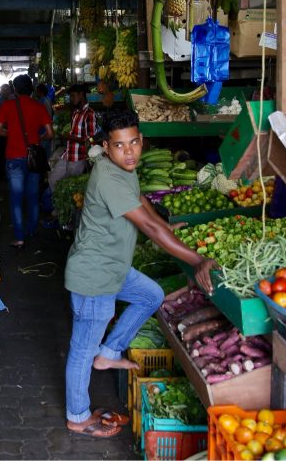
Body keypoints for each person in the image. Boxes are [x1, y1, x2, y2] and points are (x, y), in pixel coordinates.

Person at [63, 109, 218, 438]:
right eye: (120, 145)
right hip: (94, 277)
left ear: (141, 140)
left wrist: (166, 224)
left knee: (151, 295)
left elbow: (144, 204)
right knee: (81, 349)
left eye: (134, 142)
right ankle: (77, 416)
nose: (129, 151)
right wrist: (197, 260)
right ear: (106, 147)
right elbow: (147, 226)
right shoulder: (107, 177)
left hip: (114, 268)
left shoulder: (124, 170)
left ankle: (109, 354)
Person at [0, 74, 54, 247]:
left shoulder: (7, 106)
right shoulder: (39, 106)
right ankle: (32, 230)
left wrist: (11, 134)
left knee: (16, 198)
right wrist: (37, 138)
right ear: (31, 89)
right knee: (33, 196)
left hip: (14, 158)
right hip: (33, 158)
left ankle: (19, 237)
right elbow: (50, 134)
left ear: (15, 89)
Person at [48, 83, 97, 194]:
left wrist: (71, 137)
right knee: (53, 180)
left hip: (78, 158)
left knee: (71, 187)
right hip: (68, 154)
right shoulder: (75, 112)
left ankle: (65, 210)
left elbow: (91, 140)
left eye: (73, 96)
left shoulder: (89, 114)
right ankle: (60, 207)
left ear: (81, 95)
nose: (71, 99)